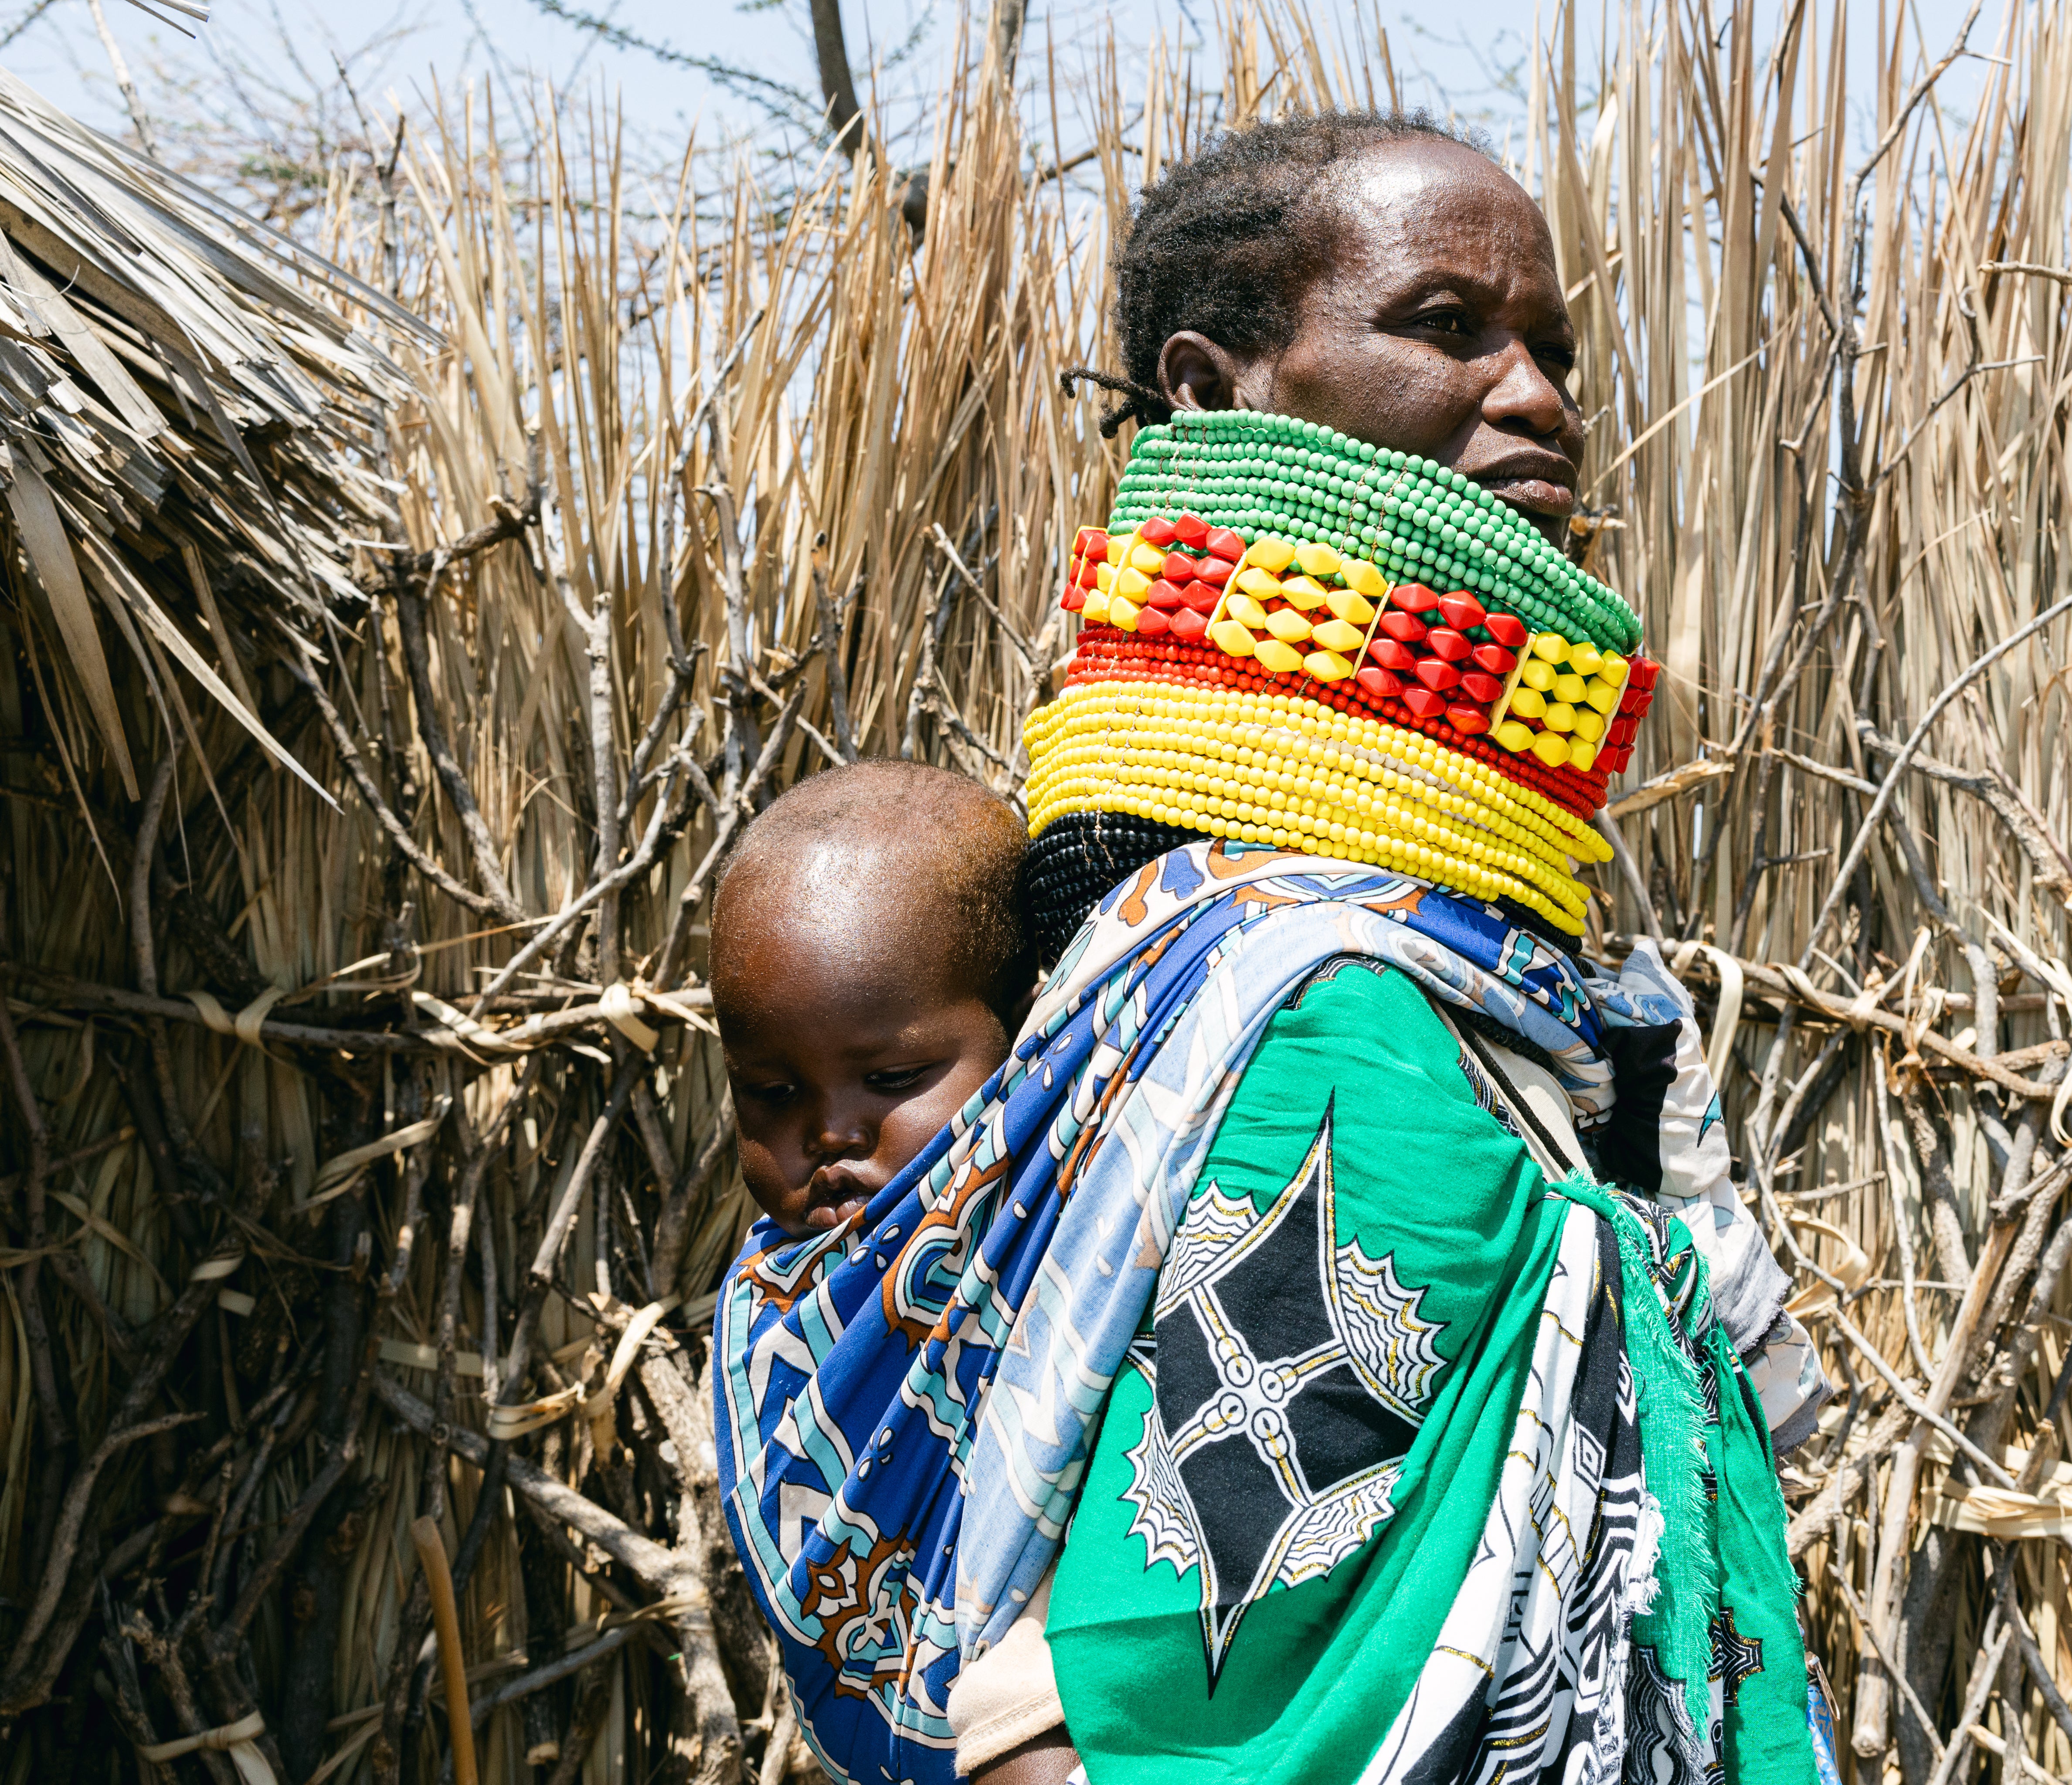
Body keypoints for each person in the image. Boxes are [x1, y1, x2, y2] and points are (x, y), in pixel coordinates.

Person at [715, 114, 1830, 1785]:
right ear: (1208, 386)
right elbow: (1110, 1688)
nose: (1538, 397)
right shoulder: (1299, 999)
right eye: (1446, 327)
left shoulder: (1460, 980)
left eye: (1551, 347)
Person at [710, 760, 1032, 1237]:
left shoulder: (1084, 1252)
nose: (831, 1135)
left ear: (1029, 1033)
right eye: (775, 1094)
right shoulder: (760, 1296)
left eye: (892, 1079)